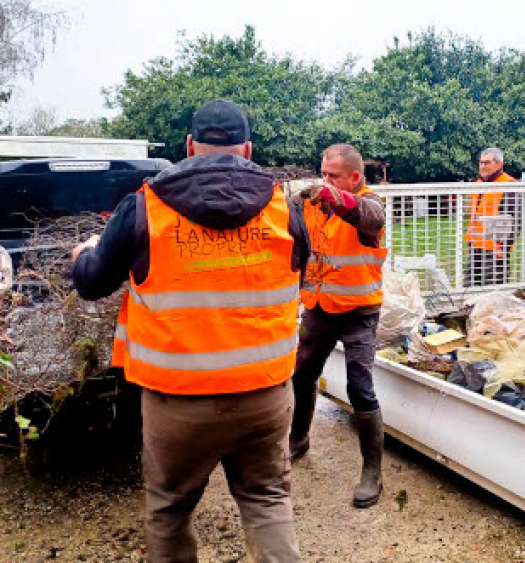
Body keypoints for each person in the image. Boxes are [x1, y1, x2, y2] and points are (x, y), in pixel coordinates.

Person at [71, 100, 309, 562]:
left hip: (177, 404)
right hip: (265, 395)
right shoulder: (285, 208)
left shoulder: (145, 207)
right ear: (247, 148)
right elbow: (294, 275)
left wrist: (86, 252)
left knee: (169, 511)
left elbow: (92, 283)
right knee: (267, 502)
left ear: (187, 146)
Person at [289, 143, 388, 509]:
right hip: (319, 308)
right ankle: (298, 440)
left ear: (355, 178)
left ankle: (372, 472)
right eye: (324, 174)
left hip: (359, 312)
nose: (325, 181)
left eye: (334, 176)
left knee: (360, 388)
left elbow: (369, 218)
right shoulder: (316, 201)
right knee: (302, 376)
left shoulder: (369, 203)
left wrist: (338, 198)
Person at [466, 147, 520, 287]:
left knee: (493, 289)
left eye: (487, 163)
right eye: (481, 163)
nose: (482, 166)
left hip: (495, 249)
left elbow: (516, 220)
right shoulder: (477, 183)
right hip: (476, 245)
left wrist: (504, 247)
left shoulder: (509, 185)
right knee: (470, 288)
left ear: (499, 164)